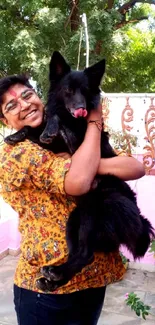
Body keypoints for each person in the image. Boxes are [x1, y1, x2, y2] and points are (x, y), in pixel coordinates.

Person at [0, 74, 145, 325]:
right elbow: (78, 182)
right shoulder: (15, 153)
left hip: (92, 281)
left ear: (39, 96)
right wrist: (95, 124)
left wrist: (89, 154)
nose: (24, 105)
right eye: (11, 105)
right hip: (47, 293)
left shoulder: (67, 127)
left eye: (27, 95)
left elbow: (134, 167)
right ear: (4, 120)